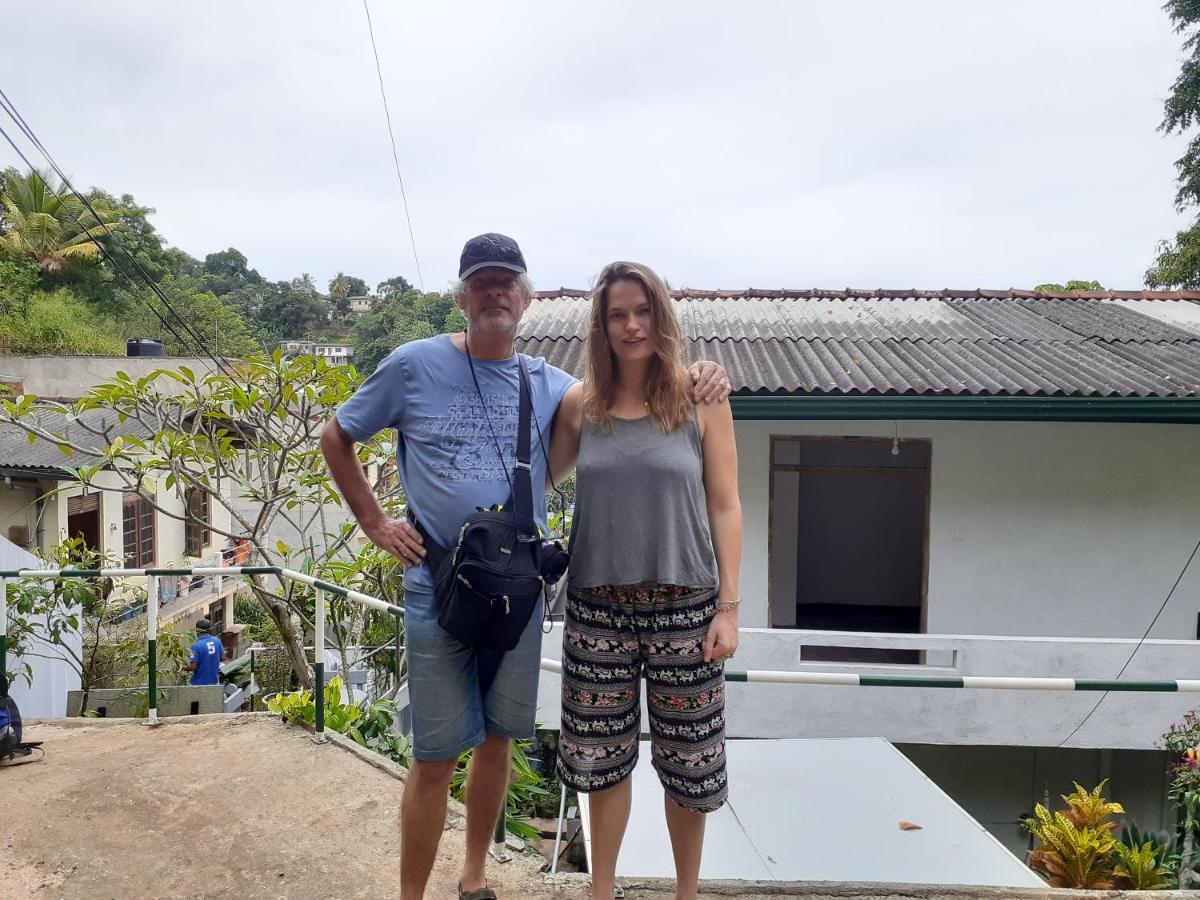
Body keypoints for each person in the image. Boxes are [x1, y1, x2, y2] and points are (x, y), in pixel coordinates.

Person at [320, 233, 730, 900]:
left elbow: (628, 391)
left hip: (516, 589)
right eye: (481, 281)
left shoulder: (551, 386)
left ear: (527, 296)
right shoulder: (411, 365)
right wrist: (374, 522)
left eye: (506, 281)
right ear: (461, 296)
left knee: (500, 739)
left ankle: (475, 877)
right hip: (438, 583)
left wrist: (703, 374)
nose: (494, 293)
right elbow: (337, 435)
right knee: (433, 754)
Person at [548, 261, 742, 900]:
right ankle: (602, 890)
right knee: (601, 766)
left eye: (641, 311)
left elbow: (726, 503)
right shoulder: (582, 403)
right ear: (600, 326)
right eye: (616, 314)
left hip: (685, 606)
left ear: (660, 315)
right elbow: (538, 479)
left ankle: (686, 893)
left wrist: (729, 607)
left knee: (690, 767)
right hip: (596, 609)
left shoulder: (700, 397)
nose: (631, 326)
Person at [187, 619, 229, 686]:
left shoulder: (196, 646)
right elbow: (223, 657)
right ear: (210, 630)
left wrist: (182, 668)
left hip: (198, 685)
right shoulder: (217, 641)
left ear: (197, 631)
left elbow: (193, 667)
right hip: (214, 683)